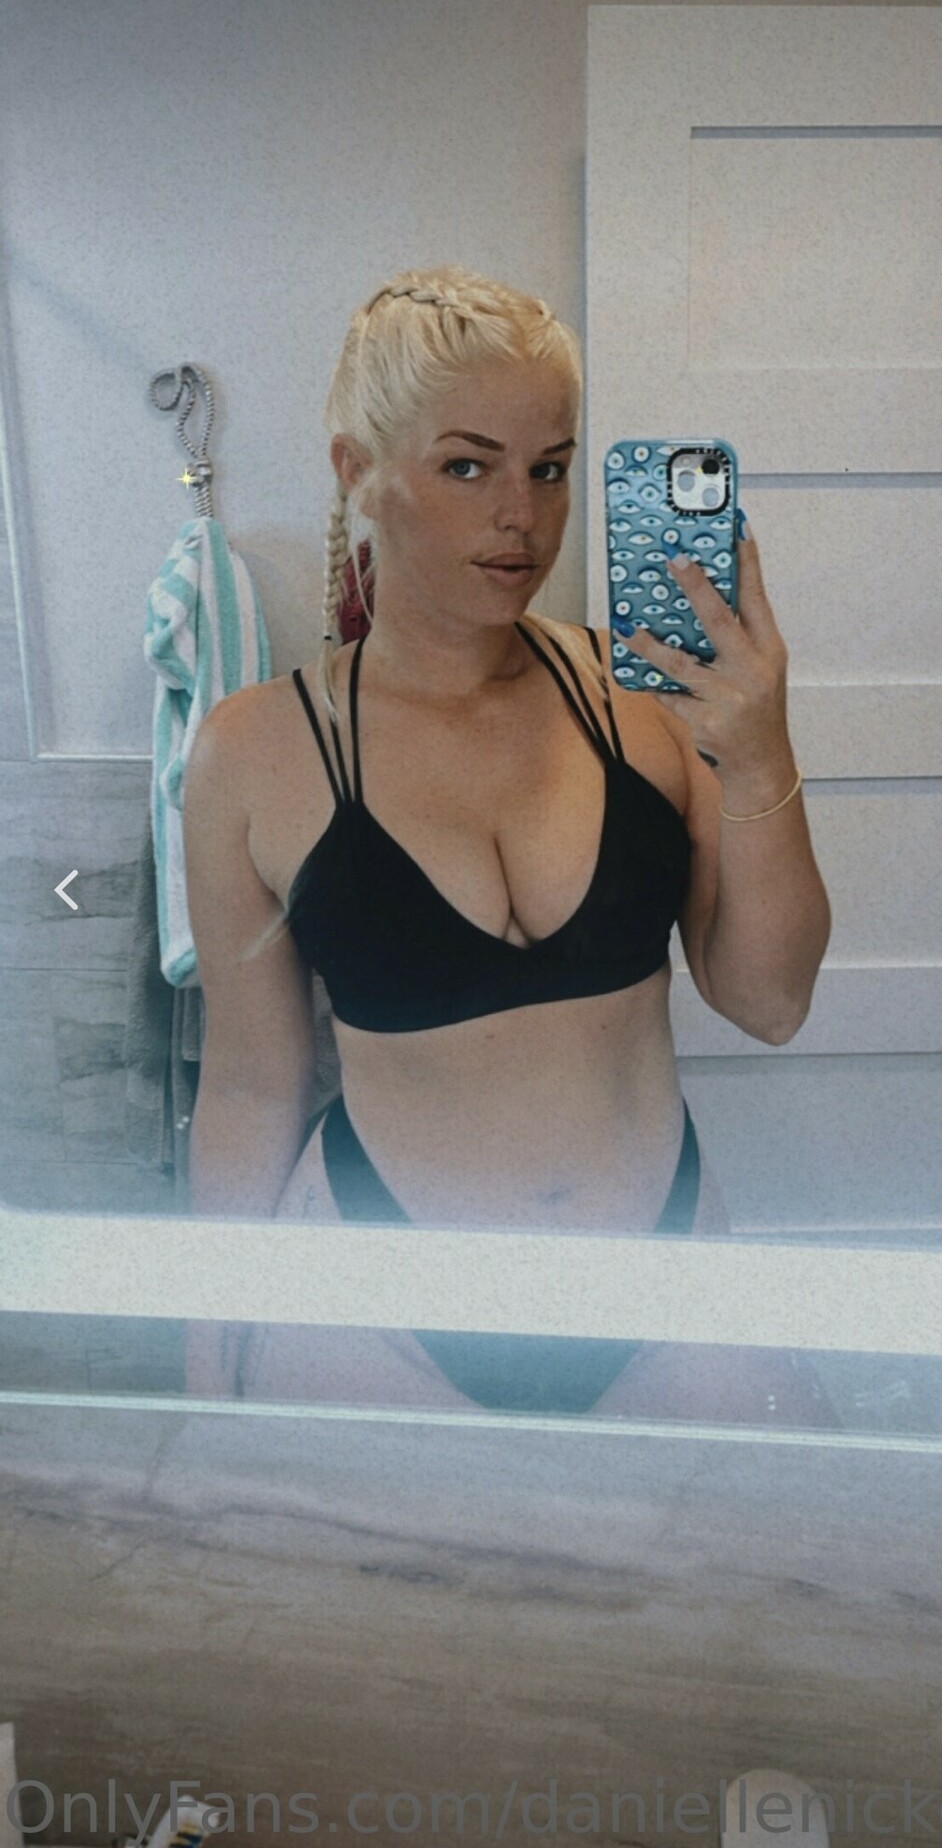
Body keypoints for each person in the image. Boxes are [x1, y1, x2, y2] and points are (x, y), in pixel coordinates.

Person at [182, 265, 832, 1420]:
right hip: (376, 1306)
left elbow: (770, 1002)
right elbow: (248, 1085)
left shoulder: (647, 703)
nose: (520, 517)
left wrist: (761, 753)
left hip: (663, 1285)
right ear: (358, 471)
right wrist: (206, 1350)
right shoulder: (255, 752)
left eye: (550, 467)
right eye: (466, 466)